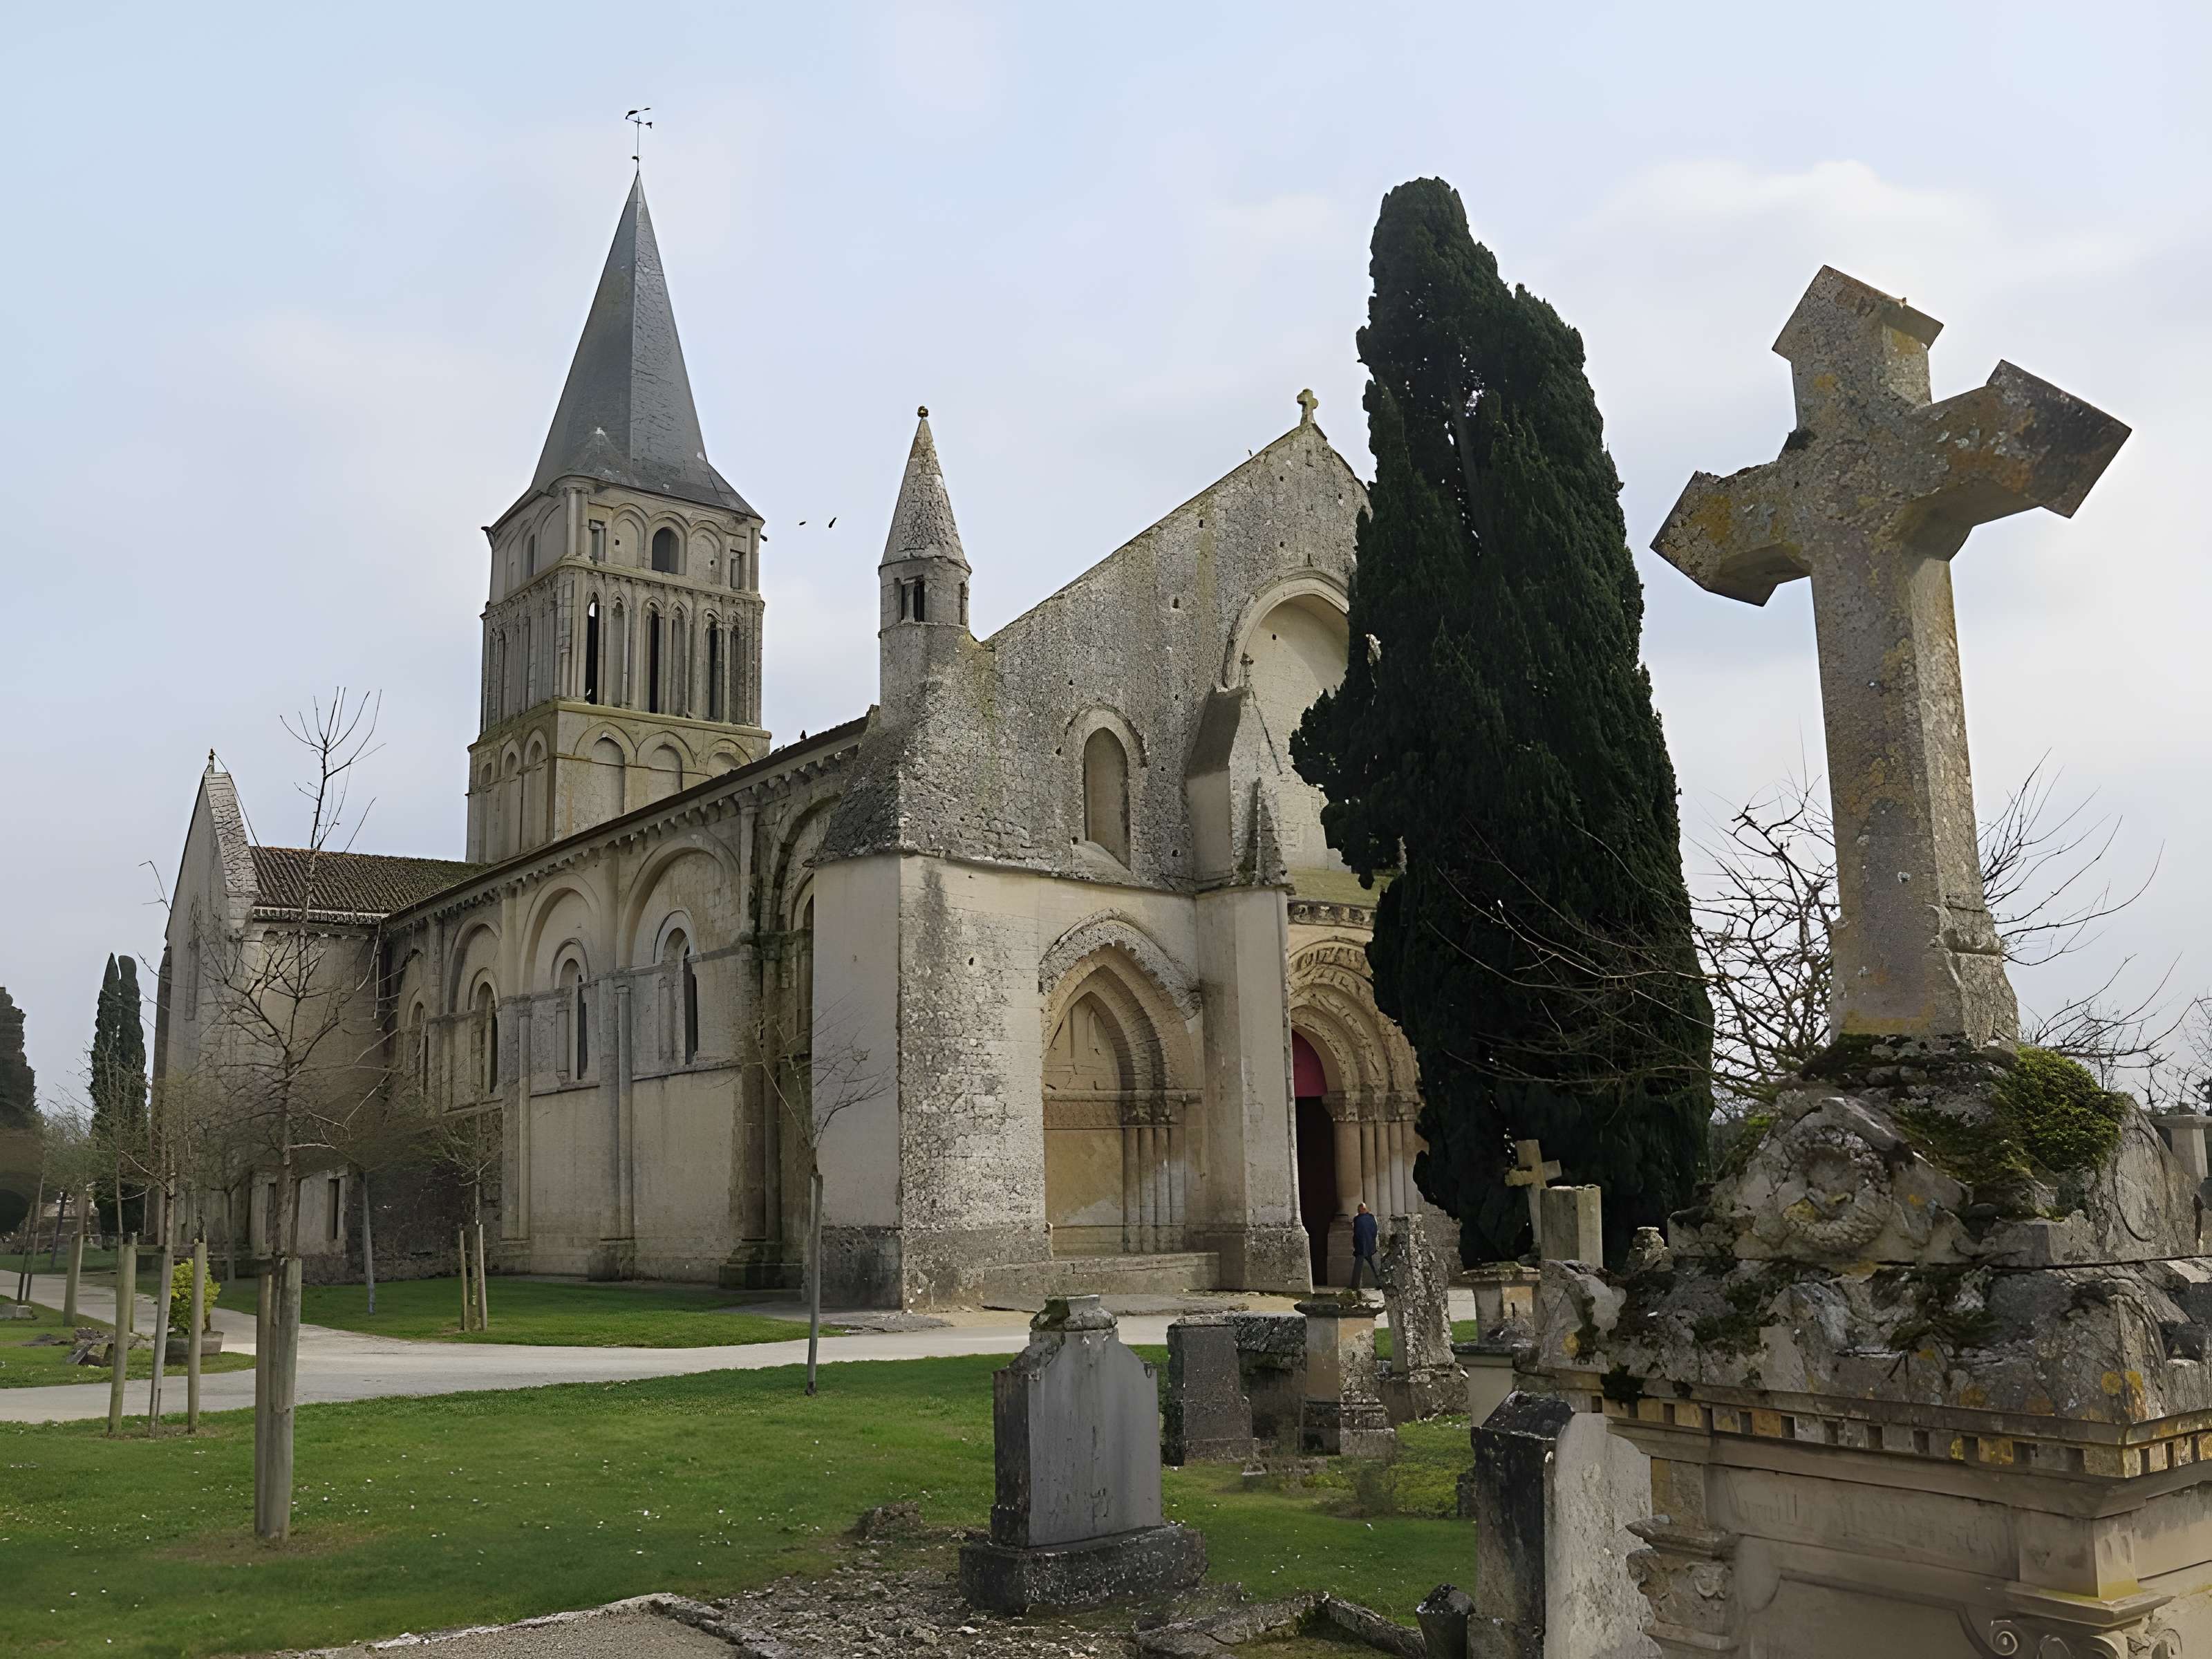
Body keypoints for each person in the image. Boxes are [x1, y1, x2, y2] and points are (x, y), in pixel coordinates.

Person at [1349, 1201, 1380, 1290]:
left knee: (1358, 1265)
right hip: (1370, 1245)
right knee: (1374, 1265)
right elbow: (1374, 1231)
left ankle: (1355, 1286)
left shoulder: (1357, 1219)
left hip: (1361, 1246)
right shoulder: (1371, 1218)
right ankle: (1380, 1283)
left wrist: (1355, 1245)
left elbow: (1357, 1234)